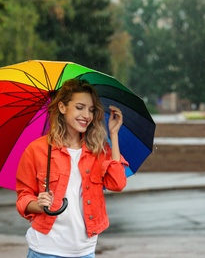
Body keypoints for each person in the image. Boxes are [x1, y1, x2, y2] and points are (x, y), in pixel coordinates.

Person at [16, 78, 128, 258]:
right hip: (45, 249)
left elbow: (118, 183)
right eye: (80, 107)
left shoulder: (98, 150)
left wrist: (113, 135)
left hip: (84, 251)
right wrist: (39, 204)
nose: (87, 115)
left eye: (91, 110)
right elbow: (23, 197)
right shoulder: (36, 150)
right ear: (62, 107)